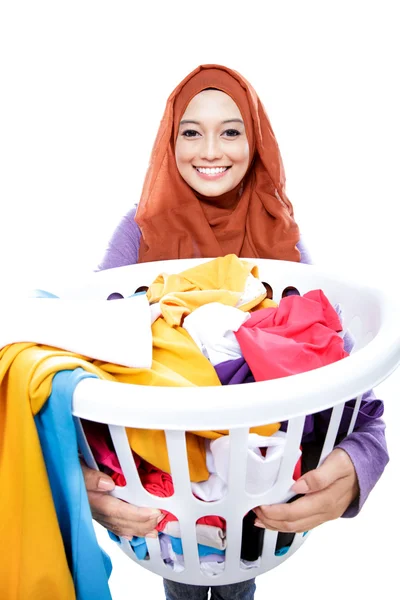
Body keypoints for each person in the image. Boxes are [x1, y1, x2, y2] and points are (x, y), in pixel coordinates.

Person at [81, 64, 389, 600]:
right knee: (181, 576)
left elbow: (344, 382)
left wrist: (361, 464)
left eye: (231, 130)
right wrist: (77, 475)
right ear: (168, 140)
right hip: (163, 489)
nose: (210, 150)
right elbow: (77, 351)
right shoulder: (141, 230)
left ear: (256, 140)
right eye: (191, 131)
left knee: (238, 573)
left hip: (259, 479)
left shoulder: (280, 237)